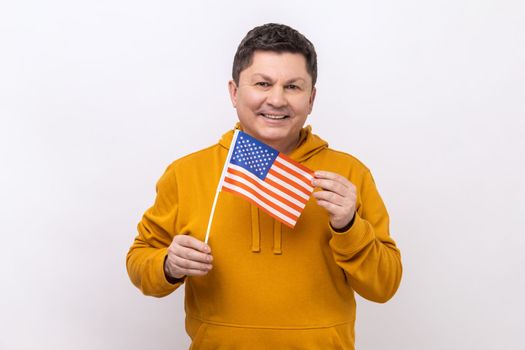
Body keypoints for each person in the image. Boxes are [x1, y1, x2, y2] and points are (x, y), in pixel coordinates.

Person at [126, 23, 402, 349]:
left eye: (293, 87)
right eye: (262, 83)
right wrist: (168, 265)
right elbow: (139, 260)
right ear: (234, 92)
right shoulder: (185, 173)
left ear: (311, 98)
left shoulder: (349, 174)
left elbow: (384, 286)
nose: (276, 99)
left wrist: (349, 226)